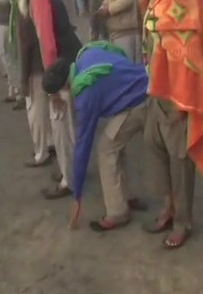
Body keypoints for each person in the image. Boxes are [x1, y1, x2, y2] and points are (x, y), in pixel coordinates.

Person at [138, 0, 203, 249]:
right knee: (153, 142)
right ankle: (168, 206)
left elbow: (179, 25)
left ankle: (183, 221)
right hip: (158, 79)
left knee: (179, 153)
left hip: (179, 83)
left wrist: (152, 20)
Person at [42, 41, 149, 231]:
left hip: (141, 101)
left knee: (106, 148)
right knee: (114, 142)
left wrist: (77, 195)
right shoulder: (86, 54)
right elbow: (117, 51)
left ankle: (117, 212)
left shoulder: (85, 93)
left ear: (63, 88)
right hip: (146, 81)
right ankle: (122, 198)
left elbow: (83, 146)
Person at [0, 0, 82, 199]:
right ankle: (72, 172)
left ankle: (70, 181)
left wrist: (52, 89)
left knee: (61, 124)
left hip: (61, 68)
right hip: (67, 62)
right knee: (66, 125)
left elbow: (47, 44)